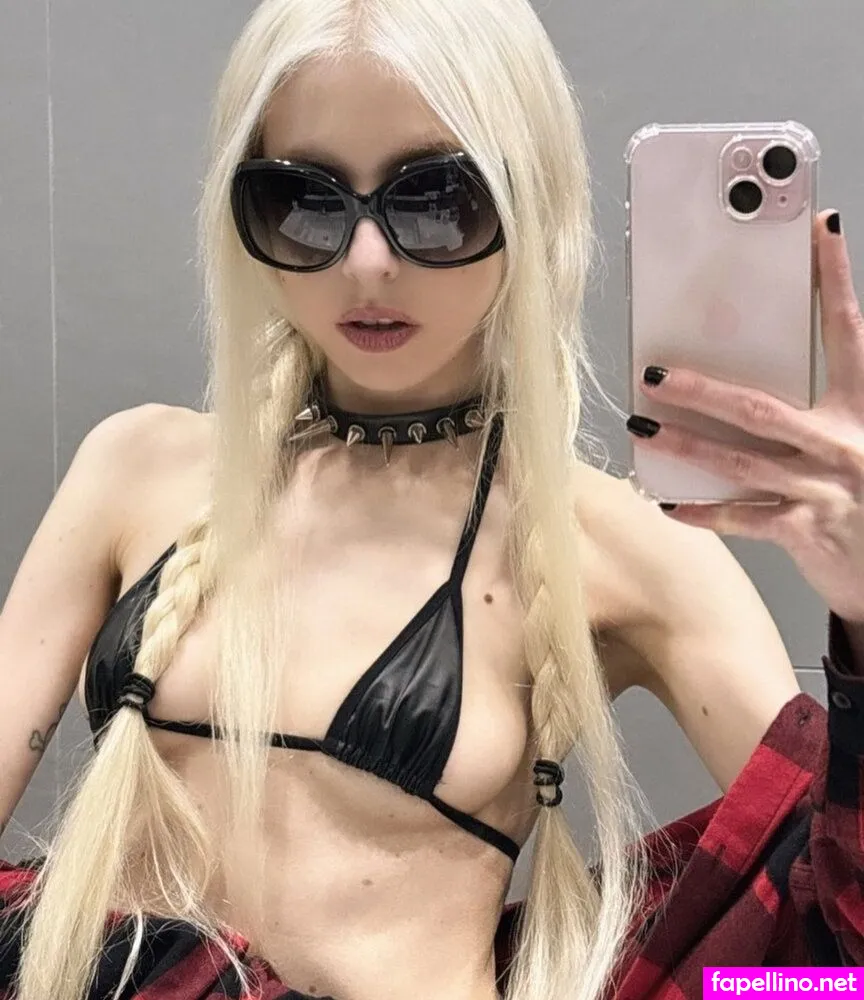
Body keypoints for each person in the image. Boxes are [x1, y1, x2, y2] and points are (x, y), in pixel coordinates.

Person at [0, 1, 862, 998]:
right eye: (304, 201)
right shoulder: (136, 466)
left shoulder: (620, 546)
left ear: (531, 198)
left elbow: (837, 947)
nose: (367, 263)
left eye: (437, 200)